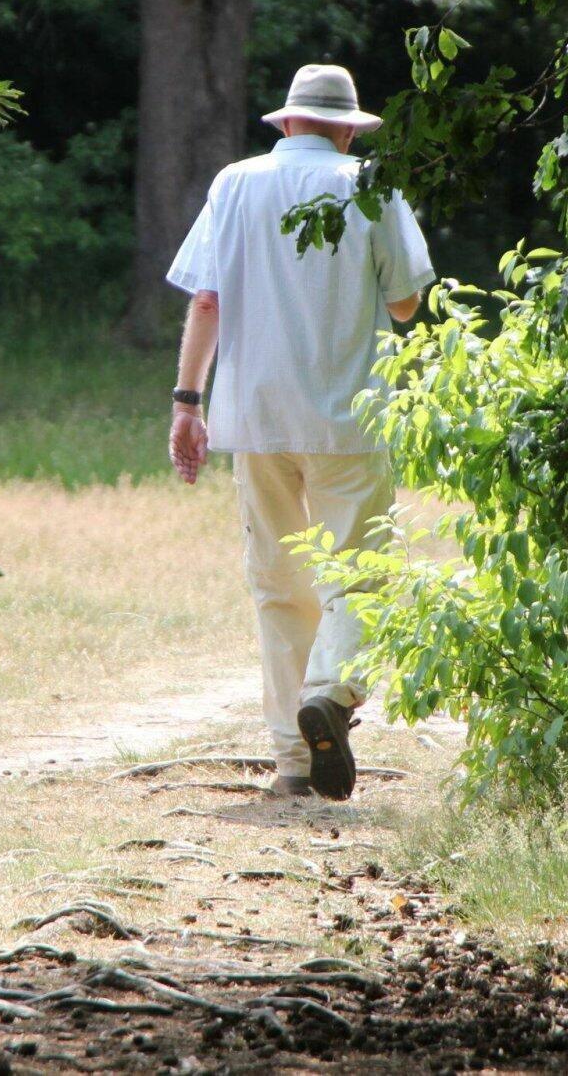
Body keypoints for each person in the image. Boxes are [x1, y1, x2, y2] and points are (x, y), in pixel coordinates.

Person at [164, 63, 434, 801]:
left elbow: (208, 300)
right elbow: (406, 302)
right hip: (349, 416)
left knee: (280, 584)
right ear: (347, 129)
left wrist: (187, 401)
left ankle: (292, 757)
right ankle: (332, 693)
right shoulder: (370, 183)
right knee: (360, 571)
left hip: (254, 418)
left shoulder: (234, 184)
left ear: (285, 122)